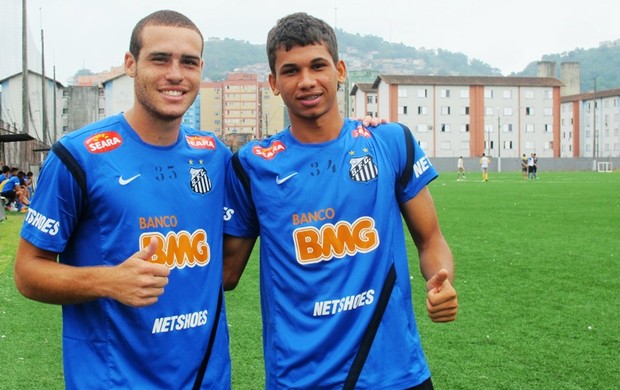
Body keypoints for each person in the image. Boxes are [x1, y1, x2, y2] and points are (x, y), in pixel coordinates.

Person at [223, 12, 457, 390]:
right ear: (273, 83)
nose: (307, 81)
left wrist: (440, 280)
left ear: (340, 70)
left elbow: (431, 240)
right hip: (300, 379)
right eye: (291, 70)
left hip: (396, 375)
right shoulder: (252, 165)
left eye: (318, 66)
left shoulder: (390, 141)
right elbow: (225, 274)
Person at [14, 10, 231, 389]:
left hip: (206, 380)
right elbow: (28, 272)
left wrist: (368, 135)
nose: (176, 74)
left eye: (189, 63)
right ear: (130, 64)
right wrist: (109, 280)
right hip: (112, 380)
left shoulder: (215, 155)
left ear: (200, 70)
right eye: (160, 59)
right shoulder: (78, 155)